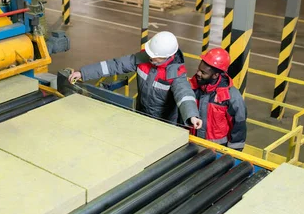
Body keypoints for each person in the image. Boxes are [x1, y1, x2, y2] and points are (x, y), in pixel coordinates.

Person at [69, 32, 203, 129]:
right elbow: (115, 65)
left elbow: (184, 94)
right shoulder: (143, 59)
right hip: (141, 115)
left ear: (168, 57)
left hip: (163, 125)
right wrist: (83, 73)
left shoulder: (176, 74)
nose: (150, 58)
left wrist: (192, 115)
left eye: (154, 56)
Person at [190, 48, 247, 151]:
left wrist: (233, 155)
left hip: (216, 152)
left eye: (203, 72)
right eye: (199, 69)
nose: (198, 74)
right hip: (192, 146)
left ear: (216, 75)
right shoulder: (192, 87)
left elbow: (239, 127)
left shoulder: (231, 96)